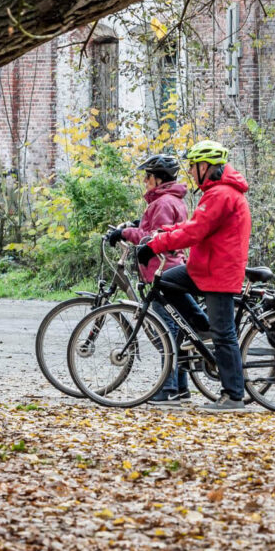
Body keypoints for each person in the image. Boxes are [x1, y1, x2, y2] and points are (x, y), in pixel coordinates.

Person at [137, 140, 252, 412]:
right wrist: (160, 235)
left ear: (206, 166)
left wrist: (154, 246)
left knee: (224, 335)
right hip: (205, 267)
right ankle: (200, 326)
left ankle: (234, 396)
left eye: (193, 166)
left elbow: (194, 232)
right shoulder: (216, 193)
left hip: (218, 272)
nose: (190, 170)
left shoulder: (221, 194)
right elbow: (191, 226)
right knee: (165, 283)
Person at [107, 153, 199, 404]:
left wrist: (123, 232)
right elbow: (157, 228)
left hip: (161, 269)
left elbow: (152, 238)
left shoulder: (161, 202)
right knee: (177, 330)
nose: (145, 181)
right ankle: (180, 387)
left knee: (164, 330)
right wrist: (135, 224)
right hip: (171, 266)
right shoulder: (171, 200)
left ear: (159, 179)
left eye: (148, 176)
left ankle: (167, 388)